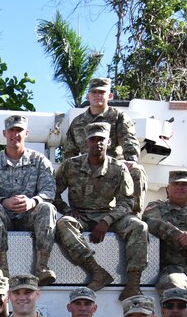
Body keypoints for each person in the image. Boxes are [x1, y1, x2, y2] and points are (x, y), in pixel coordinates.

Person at [54, 121, 149, 300]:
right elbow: (53, 194)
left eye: (101, 139)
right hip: (80, 215)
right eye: (93, 139)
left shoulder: (118, 168)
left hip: (108, 214)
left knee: (139, 227)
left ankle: (133, 285)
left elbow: (127, 201)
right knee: (64, 223)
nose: (97, 143)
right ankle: (96, 271)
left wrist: (107, 220)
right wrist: (67, 210)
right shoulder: (70, 165)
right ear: (86, 143)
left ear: (109, 143)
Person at [0, 114, 58, 283]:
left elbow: (49, 191)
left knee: (47, 208)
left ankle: (42, 267)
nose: (15, 134)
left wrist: (32, 201)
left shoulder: (40, 161)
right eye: (11, 130)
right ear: (4, 133)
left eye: (19, 130)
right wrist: (3, 201)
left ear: (26, 133)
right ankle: (1, 269)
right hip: (4, 218)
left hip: (29, 217)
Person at [61, 77, 147, 214]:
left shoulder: (119, 117)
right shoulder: (77, 122)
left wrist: (131, 160)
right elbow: (69, 151)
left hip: (113, 167)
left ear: (110, 95)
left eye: (102, 92)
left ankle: (132, 215)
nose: (97, 95)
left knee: (137, 171)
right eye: (94, 92)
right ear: (88, 96)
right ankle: (77, 213)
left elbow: (129, 140)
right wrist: (71, 167)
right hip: (86, 167)